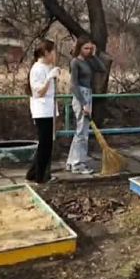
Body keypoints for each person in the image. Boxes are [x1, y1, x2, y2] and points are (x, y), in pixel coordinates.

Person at [65, 36, 107, 175]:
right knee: (81, 132)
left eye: (90, 48)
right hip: (80, 95)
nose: (88, 51)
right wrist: (83, 104)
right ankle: (78, 163)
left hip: (88, 93)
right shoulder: (75, 62)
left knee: (82, 130)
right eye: (86, 48)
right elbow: (74, 85)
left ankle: (72, 161)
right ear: (79, 48)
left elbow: (102, 69)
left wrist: (94, 55)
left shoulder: (89, 61)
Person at [26, 40, 61, 184]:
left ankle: (32, 173)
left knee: (46, 144)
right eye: (53, 52)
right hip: (42, 110)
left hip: (49, 109)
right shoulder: (37, 68)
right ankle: (41, 177)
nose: (55, 55)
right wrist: (49, 78)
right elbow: (38, 92)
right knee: (45, 145)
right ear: (46, 52)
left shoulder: (47, 67)